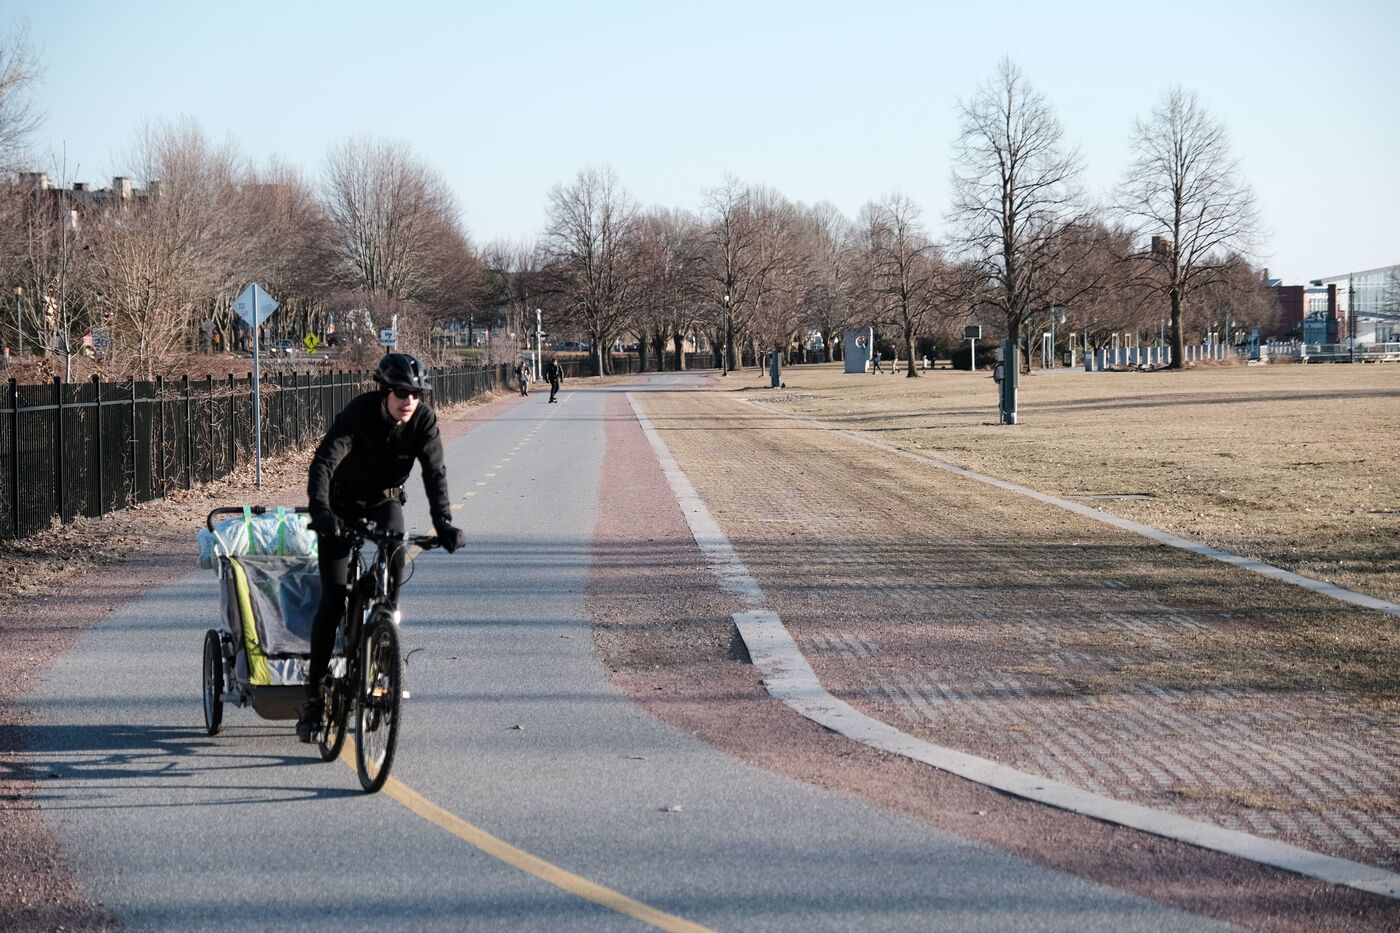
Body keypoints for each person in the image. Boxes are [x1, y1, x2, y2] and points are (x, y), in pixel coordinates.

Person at [297, 352, 466, 742]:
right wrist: (321, 512)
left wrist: (443, 523)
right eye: (401, 393)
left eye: (416, 394)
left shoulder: (423, 420)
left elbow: (435, 472)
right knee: (334, 596)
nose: (409, 401)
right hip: (340, 503)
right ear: (385, 391)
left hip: (383, 501)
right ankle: (314, 697)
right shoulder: (359, 413)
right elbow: (323, 463)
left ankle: (382, 646)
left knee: (394, 563)